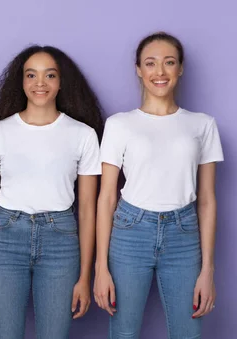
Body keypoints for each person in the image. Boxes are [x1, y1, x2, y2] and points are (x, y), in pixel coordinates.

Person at [94, 32, 224, 339]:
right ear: (138, 69)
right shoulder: (119, 124)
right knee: (124, 331)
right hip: (130, 233)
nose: (160, 72)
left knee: (187, 332)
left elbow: (207, 200)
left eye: (169, 63)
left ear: (180, 69)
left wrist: (208, 270)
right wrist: (101, 268)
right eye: (150, 63)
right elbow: (106, 197)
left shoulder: (203, 125)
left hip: (184, 234)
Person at [0, 45, 104, 338]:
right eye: (31, 75)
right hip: (6, 238)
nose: (40, 83)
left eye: (50, 75)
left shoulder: (83, 135)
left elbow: (87, 210)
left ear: (61, 82)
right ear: (21, 82)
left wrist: (84, 276)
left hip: (61, 240)